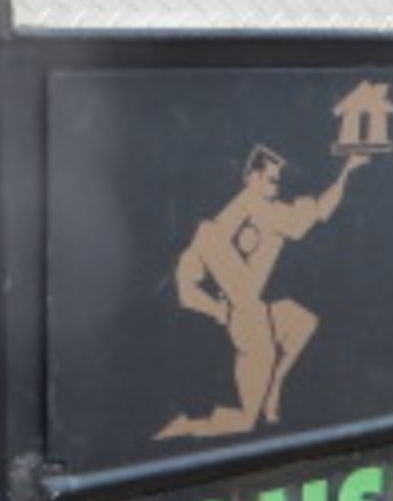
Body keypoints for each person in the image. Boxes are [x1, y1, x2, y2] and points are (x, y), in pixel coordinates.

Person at [156, 144, 368, 438]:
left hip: (256, 312)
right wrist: (222, 312)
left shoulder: (268, 213)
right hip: (248, 324)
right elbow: (184, 289)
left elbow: (319, 211)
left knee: (302, 323)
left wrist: (346, 171)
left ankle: (274, 389)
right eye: (270, 180)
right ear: (250, 178)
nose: (276, 187)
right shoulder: (212, 233)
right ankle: (182, 429)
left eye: (277, 181)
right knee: (245, 421)